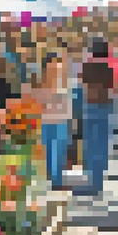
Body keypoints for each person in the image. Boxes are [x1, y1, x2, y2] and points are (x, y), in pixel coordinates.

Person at [79, 38, 118, 196]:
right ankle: (99, 179)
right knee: (102, 143)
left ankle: (93, 180)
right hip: (105, 105)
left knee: (91, 144)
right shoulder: (109, 68)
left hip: (90, 105)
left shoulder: (87, 66)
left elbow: (83, 84)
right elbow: (112, 86)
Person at [29, 53, 73, 189]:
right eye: (53, 63)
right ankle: (52, 179)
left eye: (57, 63)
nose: (55, 66)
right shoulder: (41, 81)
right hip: (48, 119)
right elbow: (35, 99)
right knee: (50, 151)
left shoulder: (62, 79)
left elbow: (67, 97)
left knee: (56, 151)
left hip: (59, 119)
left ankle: (56, 180)